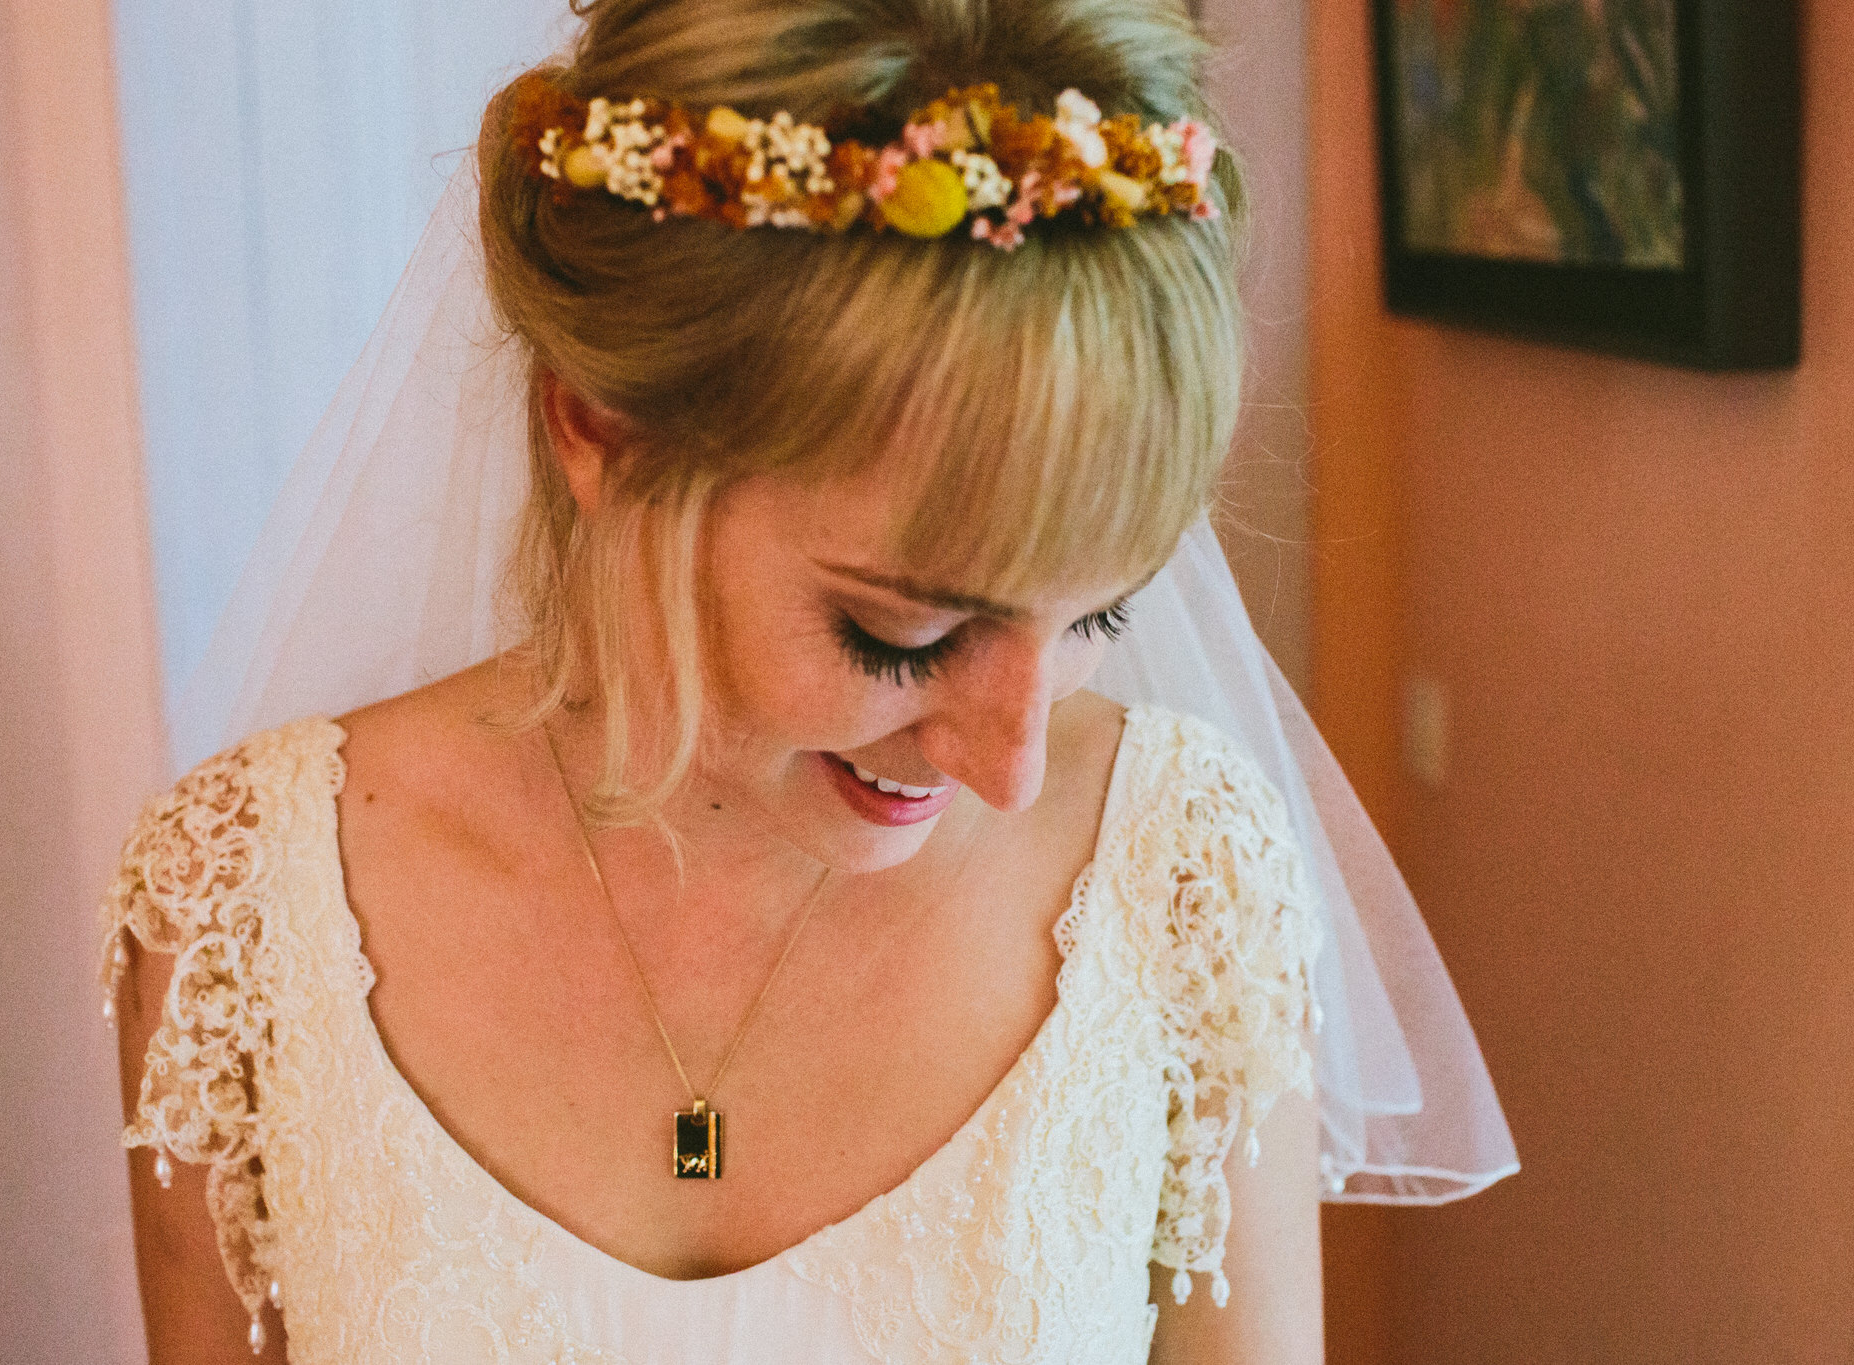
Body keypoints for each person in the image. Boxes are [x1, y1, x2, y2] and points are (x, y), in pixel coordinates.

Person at [102, 0, 1515, 1360]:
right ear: (598, 426)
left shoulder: (1181, 876)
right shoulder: (239, 906)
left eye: (1100, 613)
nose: (1010, 761)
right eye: (902, 636)